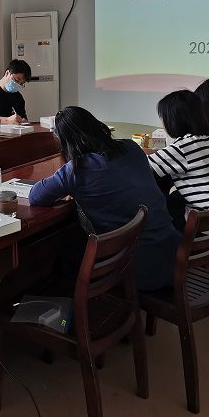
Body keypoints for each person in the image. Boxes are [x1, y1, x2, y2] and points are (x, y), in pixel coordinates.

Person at [29, 106, 181, 291]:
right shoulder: (131, 147)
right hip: (174, 257)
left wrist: (70, 188)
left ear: (65, 143)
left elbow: (35, 196)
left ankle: (80, 304)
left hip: (140, 271)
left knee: (64, 250)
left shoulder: (76, 169)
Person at [148, 90, 209, 231]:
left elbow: (142, 166)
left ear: (173, 120)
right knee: (173, 197)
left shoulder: (183, 148)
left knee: (152, 207)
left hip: (205, 228)